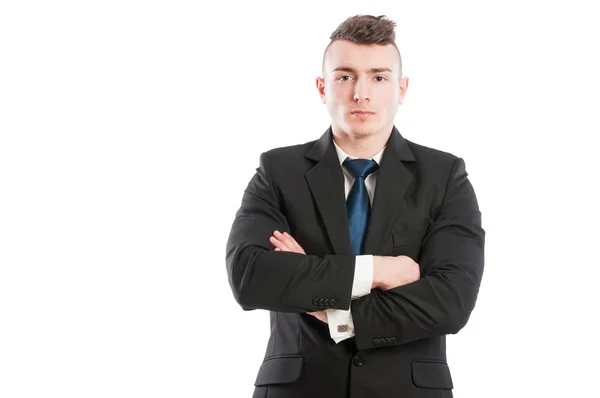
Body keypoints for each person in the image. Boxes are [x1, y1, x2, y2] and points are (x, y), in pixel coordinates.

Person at [225, 14, 485, 398]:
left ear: (401, 88)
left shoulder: (444, 175)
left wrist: (334, 312)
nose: (361, 93)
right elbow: (250, 277)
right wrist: (377, 270)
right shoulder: (279, 171)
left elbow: (451, 300)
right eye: (345, 76)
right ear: (322, 87)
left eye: (378, 77)